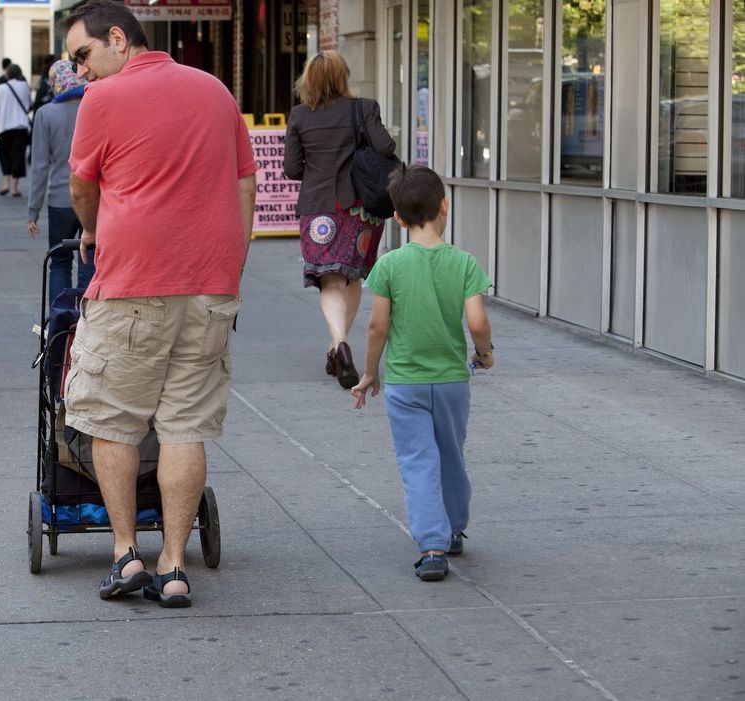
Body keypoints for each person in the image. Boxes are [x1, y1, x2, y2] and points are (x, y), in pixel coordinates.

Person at [62, 0, 257, 607]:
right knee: (183, 427)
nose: (81, 73)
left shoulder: (102, 100)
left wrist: (91, 229)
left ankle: (126, 555)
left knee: (112, 421)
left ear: (117, 38)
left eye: (83, 56)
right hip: (210, 286)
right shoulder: (215, 90)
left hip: (132, 286)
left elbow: (81, 185)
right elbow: (246, 181)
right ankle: (174, 565)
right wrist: (232, 260)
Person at [349, 165, 494, 582]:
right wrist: (484, 354)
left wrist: (370, 373)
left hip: (405, 382)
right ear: (444, 205)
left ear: (397, 217)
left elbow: (378, 327)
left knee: (417, 461)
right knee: (451, 453)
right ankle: (454, 528)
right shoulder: (464, 263)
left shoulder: (390, 265)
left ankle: (432, 546)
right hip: (451, 381)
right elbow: (478, 322)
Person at [283, 50, 395, 389]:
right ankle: (337, 346)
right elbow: (386, 148)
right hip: (357, 208)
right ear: (343, 76)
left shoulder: (299, 116)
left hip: (317, 206)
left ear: (309, 79)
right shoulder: (364, 107)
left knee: (329, 280)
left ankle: (339, 344)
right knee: (353, 277)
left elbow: (291, 168)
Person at [27, 59, 94, 302]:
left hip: (60, 200)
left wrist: (33, 210)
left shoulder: (45, 114)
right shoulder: (95, 107)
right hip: (94, 199)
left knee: (60, 261)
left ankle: (60, 322)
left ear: (55, 83)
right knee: (90, 259)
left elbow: (40, 166)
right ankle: (86, 319)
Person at [0, 63, 31, 197]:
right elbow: (28, 105)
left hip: (4, 127)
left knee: (4, 154)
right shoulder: (24, 86)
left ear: (7, 74)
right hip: (21, 126)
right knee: (18, 156)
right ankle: (14, 187)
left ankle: (5, 182)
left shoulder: (1, 88)